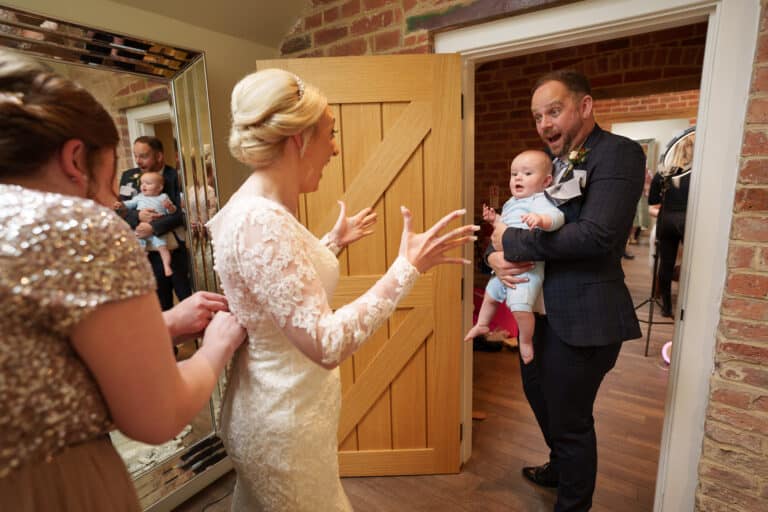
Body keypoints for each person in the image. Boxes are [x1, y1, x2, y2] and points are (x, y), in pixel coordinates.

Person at [206, 68, 477, 511]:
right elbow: (326, 342)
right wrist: (406, 269)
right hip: (283, 422)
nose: (335, 148)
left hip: (274, 408)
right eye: (330, 133)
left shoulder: (249, 207)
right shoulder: (262, 220)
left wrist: (329, 245)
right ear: (299, 139)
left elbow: (274, 287)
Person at [0, 51, 247, 511]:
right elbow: (157, 417)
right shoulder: (76, 225)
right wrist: (217, 346)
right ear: (76, 159)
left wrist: (164, 325)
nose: (115, 198)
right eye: (113, 175)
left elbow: (30, 362)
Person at [486, 70, 644, 511]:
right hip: (538, 315)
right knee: (538, 395)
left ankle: (573, 504)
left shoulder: (618, 154)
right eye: (538, 117)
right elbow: (508, 223)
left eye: (553, 111)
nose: (544, 124)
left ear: (585, 106)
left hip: (584, 317)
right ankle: (559, 467)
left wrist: (510, 243)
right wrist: (494, 257)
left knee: (571, 420)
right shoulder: (547, 164)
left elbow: (596, 236)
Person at [465, 150, 564, 364]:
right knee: (490, 297)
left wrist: (541, 220)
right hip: (504, 270)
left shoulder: (540, 201)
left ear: (546, 181)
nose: (518, 178)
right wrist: (495, 219)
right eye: (514, 174)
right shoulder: (511, 202)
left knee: (520, 308)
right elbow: (506, 225)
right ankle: (482, 324)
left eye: (527, 174)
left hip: (527, 272)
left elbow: (558, 218)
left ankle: (525, 341)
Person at [118, 135, 192, 310]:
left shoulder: (176, 176)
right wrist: (138, 216)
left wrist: (153, 227)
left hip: (173, 248)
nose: (138, 161)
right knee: (160, 303)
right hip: (146, 251)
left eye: (143, 156)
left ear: (159, 156)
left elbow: (183, 213)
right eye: (136, 156)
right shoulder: (128, 176)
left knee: (186, 298)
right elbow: (121, 210)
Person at [648, 132, 693, 318]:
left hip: (666, 220)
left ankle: (666, 307)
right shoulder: (696, 174)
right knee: (692, 263)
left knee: (666, 264)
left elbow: (652, 200)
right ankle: (689, 305)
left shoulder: (663, 173)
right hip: (687, 220)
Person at [115, 171, 178, 276]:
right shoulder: (139, 197)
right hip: (140, 228)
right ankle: (140, 267)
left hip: (157, 230)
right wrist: (121, 205)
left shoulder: (163, 197)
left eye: (148, 183)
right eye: (142, 183)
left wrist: (169, 207)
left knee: (163, 248)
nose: (143, 186)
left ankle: (166, 266)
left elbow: (173, 212)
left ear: (159, 188)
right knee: (138, 248)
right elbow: (129, 204)